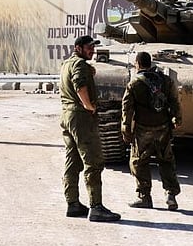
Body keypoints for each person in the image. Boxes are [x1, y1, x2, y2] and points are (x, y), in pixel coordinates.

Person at [59, 35, 121, 222]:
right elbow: (80, 85)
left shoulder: (67, 64)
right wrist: (89, 106)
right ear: (78, 48)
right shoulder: (80, 65)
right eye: (88, 47)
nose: (92, 50)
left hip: (68, 115)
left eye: (93, 47)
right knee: (93, 161)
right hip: (81, 117)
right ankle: (96, 207)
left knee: (72, 161)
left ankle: (72, 204)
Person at [121, 51, 182, 211]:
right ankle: (171, 195)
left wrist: (126, 130)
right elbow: (175, 101)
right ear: (150, 63)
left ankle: (144, 197)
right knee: (166, 160)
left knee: (139, 162)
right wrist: (177, 118)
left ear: (137, 64)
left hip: (143, 129)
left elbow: (127, 109)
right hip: (163, 128)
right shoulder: (166, 80)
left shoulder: (134, 84)